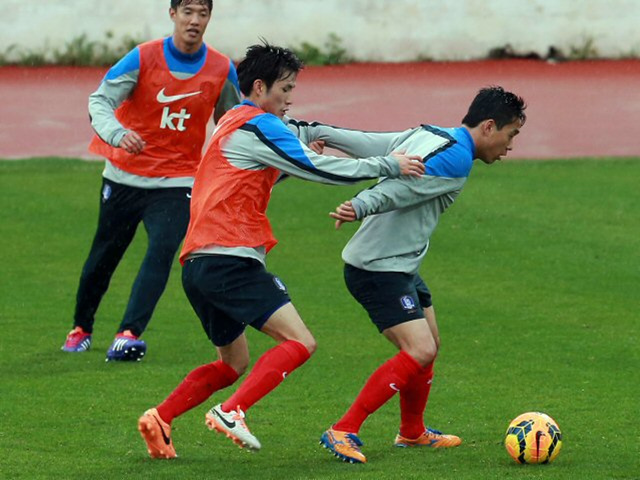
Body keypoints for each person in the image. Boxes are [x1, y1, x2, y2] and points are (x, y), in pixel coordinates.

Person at [136, 42, 426, 459]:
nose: (291, 98)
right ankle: (233, 410)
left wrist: (294, 164)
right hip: (229, 258)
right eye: (286, 88)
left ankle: (160, 418)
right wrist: (389, 165)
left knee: (231, 363)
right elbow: (317, 168)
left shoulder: (230, 122)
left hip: (199, 264)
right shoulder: (259, 123)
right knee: (300, 342)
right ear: (259, 86)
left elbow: (249, 177)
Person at [290, 86, 526, 463]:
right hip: (378, 268)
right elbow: (402, 189)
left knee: (430, 343)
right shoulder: (456, 160)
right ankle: (344, 429)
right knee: (420, 348)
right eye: (511, 135)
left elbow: (376, 144)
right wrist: (362, 204)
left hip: (402, 264)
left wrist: (319, 131)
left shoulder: (434, 134)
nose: (510, 146)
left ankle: (412, 432)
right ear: (489, 126)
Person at [61, 0, 241, 362]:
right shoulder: (142, 58)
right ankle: (82, 327)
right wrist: (116, 133)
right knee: (103, 257)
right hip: (125, 176)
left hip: (177, 181)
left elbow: (231, 123)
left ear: (209, 18)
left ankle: (128, 334)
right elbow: (100, 101)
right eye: (187, 11)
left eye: (202, 13)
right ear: (172, 14)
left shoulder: (222, 68)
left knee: (160, 254)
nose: (195, 20)